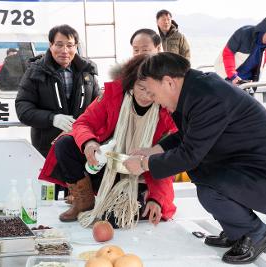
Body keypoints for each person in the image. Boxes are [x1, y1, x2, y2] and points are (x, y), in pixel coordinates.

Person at [124, 52, 266, 264]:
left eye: (154, 94)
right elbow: (187, 135)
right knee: (205, 179)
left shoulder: (208, 96)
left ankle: (255, 234)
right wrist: (153, 150)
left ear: (168, 83)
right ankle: (236, 230)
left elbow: (190, 155)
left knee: (211, 190)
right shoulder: (194, 90)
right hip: (252, 166)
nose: (154, 101)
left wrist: (144, 164)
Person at [38, 54, 177, 226]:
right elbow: (83, 123)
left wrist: (157, 199)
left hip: (139, 175)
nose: (146, 97)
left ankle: (135, 198)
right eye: (141, 88)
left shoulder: (167, 112)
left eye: (152, 92)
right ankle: (84, 200)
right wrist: (89, 142)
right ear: (131, 81)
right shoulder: (114, 94)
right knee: (65, 144)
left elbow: (167, 160)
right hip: (106, 166)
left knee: (115, 219)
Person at [16, 25, 100, 199]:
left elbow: (98, 106)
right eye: (59, 45)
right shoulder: (36, 71)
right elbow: (23, 108)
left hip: (79, 146)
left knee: (80, 195)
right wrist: (52, 118)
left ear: (76, 46)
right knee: (51, 198)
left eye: (70, 45)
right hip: (48, 148)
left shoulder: (87, 71)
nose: (64, 50)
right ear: (50, 45)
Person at [215, 15, 266, 97]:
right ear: (262, 30)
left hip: (248, 83)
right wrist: (233, 76)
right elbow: (227, 53)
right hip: (228, 77)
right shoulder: (243, 33)